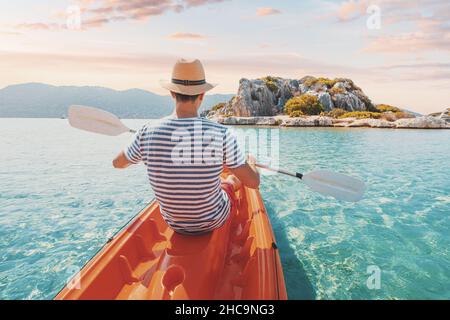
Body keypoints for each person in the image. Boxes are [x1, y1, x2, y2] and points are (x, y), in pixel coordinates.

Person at [112, 59, 260, 235]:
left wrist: (145, 147)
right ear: (202, 95)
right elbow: (253, 182)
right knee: (229, 182)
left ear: (172, 93)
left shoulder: (147, 131)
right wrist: (252, 164)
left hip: (174, 224)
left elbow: (117, 163)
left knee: (217, 182)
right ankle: (229, 183)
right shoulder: (220, 133)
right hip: (214, 220)